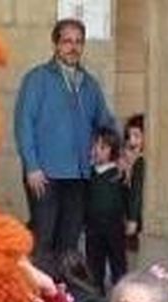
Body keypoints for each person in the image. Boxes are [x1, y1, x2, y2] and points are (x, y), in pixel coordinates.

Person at [15, 18, 117, 257]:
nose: (73, 47)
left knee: (70, 242)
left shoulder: (90, 84)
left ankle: (66, 293)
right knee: (44, 237)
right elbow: (23, 124)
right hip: (44, 175)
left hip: (79, 175)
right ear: (56, 45)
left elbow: (106, 122)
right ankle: (42, 293)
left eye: (78, 42)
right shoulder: (37, 78)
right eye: (67, 41)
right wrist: (32, 167)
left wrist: (121, 153)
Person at [83, 128, 129, 290]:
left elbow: (128, 197)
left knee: (118, 263)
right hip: (93, 226)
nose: (96, 151)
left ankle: (121, 294)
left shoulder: (118, 173)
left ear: (113, 150)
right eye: (94, 146)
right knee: (94, 264)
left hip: (114, 225)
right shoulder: (88, 174)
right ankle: (96, 299)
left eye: (103, 147)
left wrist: (131, 219)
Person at [121, 114, 146, 253]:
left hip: (137, 220)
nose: (132, 141)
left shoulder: (140, 162)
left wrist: (132, 219)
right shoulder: (130, 160)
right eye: (129, 136)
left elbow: (136, 192)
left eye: (137, 136)